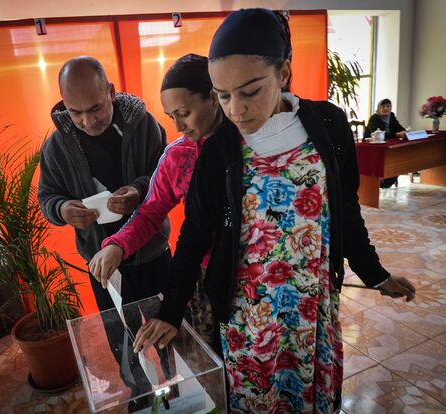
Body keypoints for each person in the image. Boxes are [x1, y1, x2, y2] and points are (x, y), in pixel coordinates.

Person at [133, 9, 416, 413]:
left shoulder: (328, 124)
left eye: (250, 91)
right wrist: (171, 311)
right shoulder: (219, 151)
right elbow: (195, 233)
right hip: (249, 312)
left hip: (311, 302)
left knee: (309, 397)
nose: (235, 110)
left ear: (283, 73)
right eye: (223, 96)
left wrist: (376, 274)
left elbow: (345, 209)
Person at [37, 56, 171, 408]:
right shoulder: (56, 146)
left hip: (153, 251)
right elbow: (47, 198)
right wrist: (63, 210)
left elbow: (165, 177)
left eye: (96, 108)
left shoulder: (144, 126)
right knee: (120, 334)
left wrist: (137, 190)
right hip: (100, 262)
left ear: (111, 92)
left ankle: (176, 383)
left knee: (169, 323)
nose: (87, 120)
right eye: (75, 112)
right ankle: (139, 394)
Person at [89, 54, 224, 350]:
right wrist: (117, 245)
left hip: (256, 275)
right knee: (209, 356)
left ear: (214, 98)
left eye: (184, 113)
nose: (178, 126)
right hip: (201, 275)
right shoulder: (178, 156)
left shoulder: (247, 145)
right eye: (171, 116)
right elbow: (150, 213)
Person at [365, 99, 406, 188]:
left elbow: (400, 128)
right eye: (382, 106)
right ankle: (382, 183)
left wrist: (405, 132)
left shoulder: (391, 116)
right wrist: (396, 134)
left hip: (388, 146)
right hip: (373, 147)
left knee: (400, 160)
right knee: (393, 160)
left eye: (388, 106)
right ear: (378, 108)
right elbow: (378, 134)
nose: (385, 108)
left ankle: (386, 182)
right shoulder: (374, 118)